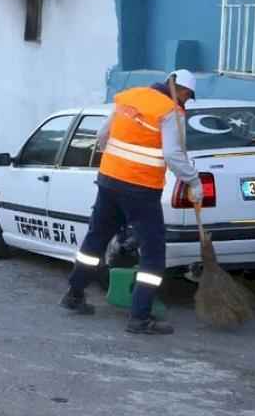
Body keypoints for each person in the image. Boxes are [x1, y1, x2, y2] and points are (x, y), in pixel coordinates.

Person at [59, 69, 202, 335]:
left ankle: (74, 294)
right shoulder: (170, 111)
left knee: (95, 239)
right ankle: (140, 317)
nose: (185, 100)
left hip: (109, 181)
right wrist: (193, 181)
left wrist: (117, 165)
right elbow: (172, 154)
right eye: (187, 95)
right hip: (141, 189)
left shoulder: (130, 97)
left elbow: (102, 136)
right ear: (181, 90)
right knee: (153, 251)